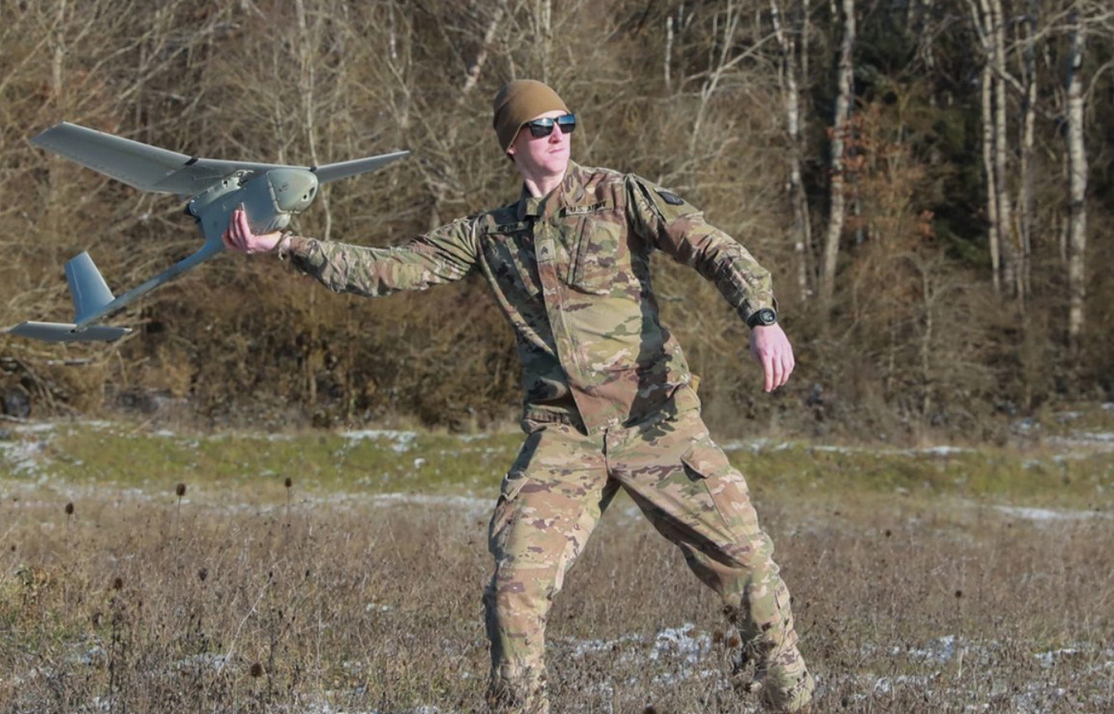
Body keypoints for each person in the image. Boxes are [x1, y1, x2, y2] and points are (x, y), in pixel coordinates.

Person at [222, 79, 813, 713]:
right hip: (564, 435)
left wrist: (761, 317)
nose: (558, 135)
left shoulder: (618, 196)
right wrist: (286, 245)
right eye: (540, 126)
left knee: (749, 574)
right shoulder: (490, 234)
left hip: (656, 421)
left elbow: (714, 247)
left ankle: (793, 702)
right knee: (513, 592)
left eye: (566, 122)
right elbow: (390, 268)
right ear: (512, 144)